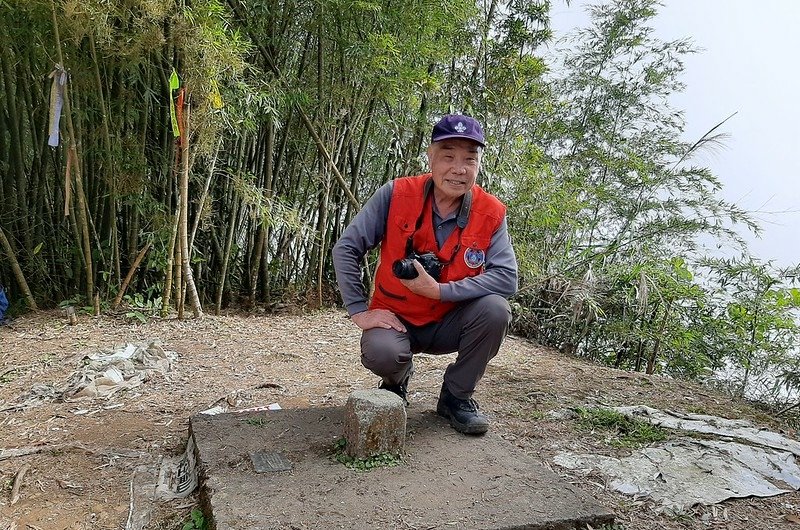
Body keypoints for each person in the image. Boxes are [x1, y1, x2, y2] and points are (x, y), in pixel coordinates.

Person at [332, 114, 518, 435]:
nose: (458, 169)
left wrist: (440, 292)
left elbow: (506, 279)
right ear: (430, 156)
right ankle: (397, 379)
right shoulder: (396, 194)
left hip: (450, 320)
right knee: (382, 352)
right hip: (397, 318)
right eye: (448, 156)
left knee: (496, 310)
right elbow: (346, 248)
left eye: (469, 160)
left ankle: (456, 397)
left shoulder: (491, 212)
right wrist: (359, 311)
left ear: (478, 165)